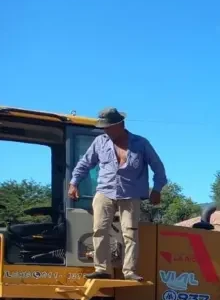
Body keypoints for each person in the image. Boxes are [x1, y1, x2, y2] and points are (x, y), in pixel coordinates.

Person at [68, 107, 167, 282]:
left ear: (120, 124)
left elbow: (158, 167)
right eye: (103, 127)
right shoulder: (100, 142)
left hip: (130, 194)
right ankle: (101, 268)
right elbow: (85, 164)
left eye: (108, 127)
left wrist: (157, 189)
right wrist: (74, 182)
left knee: (130, 232)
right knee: (99, 229)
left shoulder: (141, 143)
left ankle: (129, 271)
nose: (105, 130)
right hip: (105, 191)